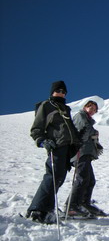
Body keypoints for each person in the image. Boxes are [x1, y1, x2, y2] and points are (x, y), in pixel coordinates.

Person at [26, 80, 80, 224]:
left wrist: (76, 147)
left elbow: (70, 130)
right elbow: (37, 128)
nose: (61, 93)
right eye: (59, 91)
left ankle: (47, 209)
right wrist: (42, 140)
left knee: (59, 177)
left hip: (67, 148)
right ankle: (37, 209)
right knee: (53, 176)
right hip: (56, 146)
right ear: (52, 92)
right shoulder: (47, 105)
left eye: (64, 92)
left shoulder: (65, 109)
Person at [65, 100, 105, 216]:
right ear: (85, 107)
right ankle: (72, 205)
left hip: (84, 153)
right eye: (91, 108)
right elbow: (85, 129)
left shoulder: (86, 118)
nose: (92, 111)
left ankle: (84, 203)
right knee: (82, 178)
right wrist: (94, 133)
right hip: (80, 152)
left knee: (90, 180)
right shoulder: (81, 116)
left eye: (94, 110)